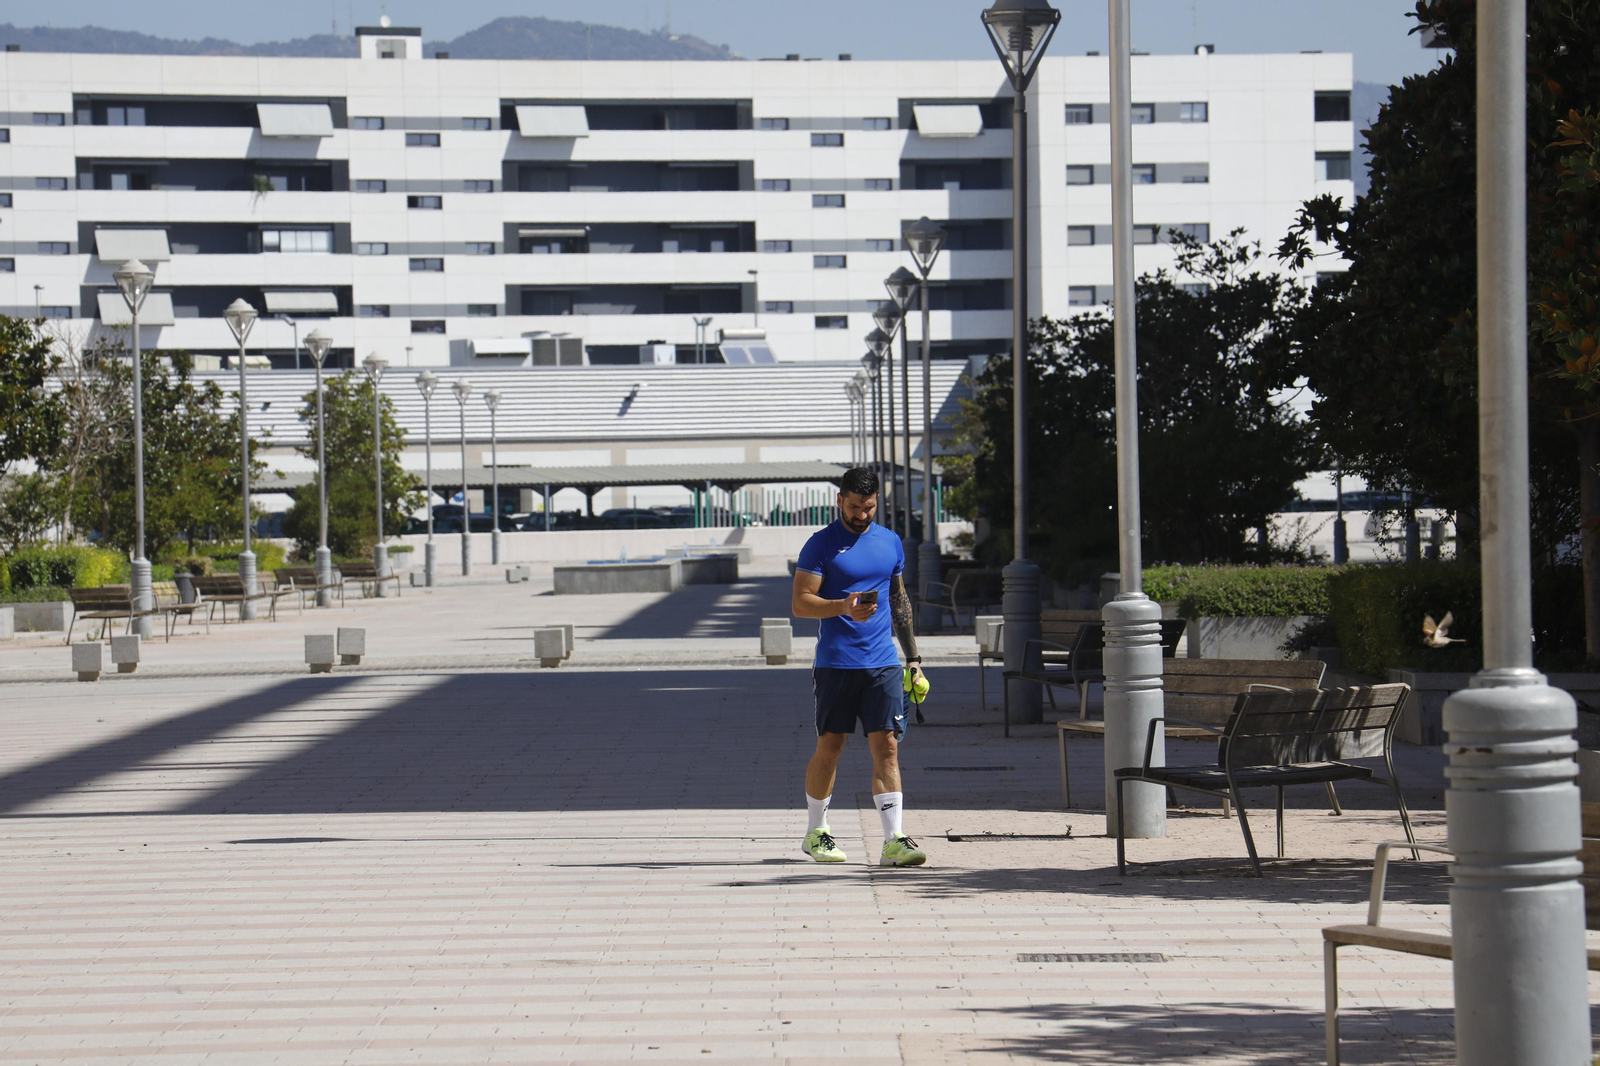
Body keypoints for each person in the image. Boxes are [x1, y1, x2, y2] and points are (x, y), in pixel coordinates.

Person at [791, 466, 926, 866]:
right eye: (853, 507)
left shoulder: (890, 543)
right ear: (839, 500)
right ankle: (817, 832)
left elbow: (899, 603)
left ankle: (894, 840)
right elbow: (800, 603)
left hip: (882, 664)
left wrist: (914, 659)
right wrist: (841, 606)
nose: (861, 515)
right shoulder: (820, 545)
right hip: (836, 664)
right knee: (830, 747)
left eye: (868, 507)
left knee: (887, 747)